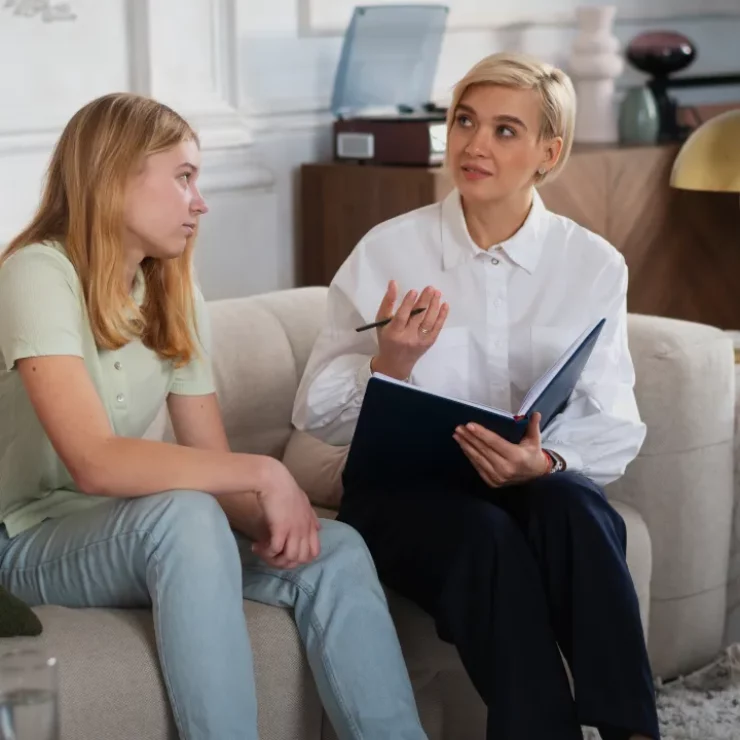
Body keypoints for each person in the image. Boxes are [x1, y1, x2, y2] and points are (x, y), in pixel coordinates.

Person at [0, 92, 428, 740]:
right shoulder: (37, 273)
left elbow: (216, 472)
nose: (200, 202)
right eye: (184, 177)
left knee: (335, 548)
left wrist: (278, 515)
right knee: (185, 513)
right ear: (114, 177)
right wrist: (266, 473)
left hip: (122, 531)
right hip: (25, 540)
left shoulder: (173, 292)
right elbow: (93, 461)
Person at [293, 52, 660, 740]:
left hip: (522, 484)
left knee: (579, 507)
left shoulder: (591, 266)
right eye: (465, 121)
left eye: (504, 130)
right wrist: (389, 363)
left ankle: (632, 730)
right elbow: (313, 410)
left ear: (549, 152)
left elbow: (614, 418)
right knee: (485, 536)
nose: (475, 144)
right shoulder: (387, 252)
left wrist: (542, 461)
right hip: (401, 497)